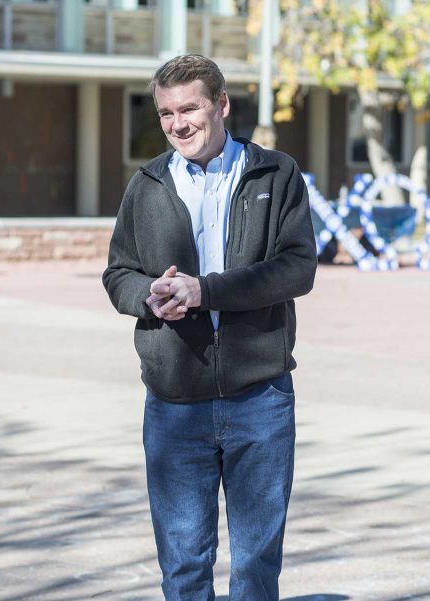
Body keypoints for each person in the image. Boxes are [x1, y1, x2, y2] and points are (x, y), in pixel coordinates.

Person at [102, 54, 317, 599]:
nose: (179, 124)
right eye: (167, 113)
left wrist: (207, 290)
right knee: (183, 564)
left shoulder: (275, 172)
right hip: (174, 402)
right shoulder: (146, 183)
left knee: (256, 564)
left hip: (260, 397)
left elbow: (297, 268)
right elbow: (118, 272)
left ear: (221, 105)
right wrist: (148, 298)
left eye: (190, 108)